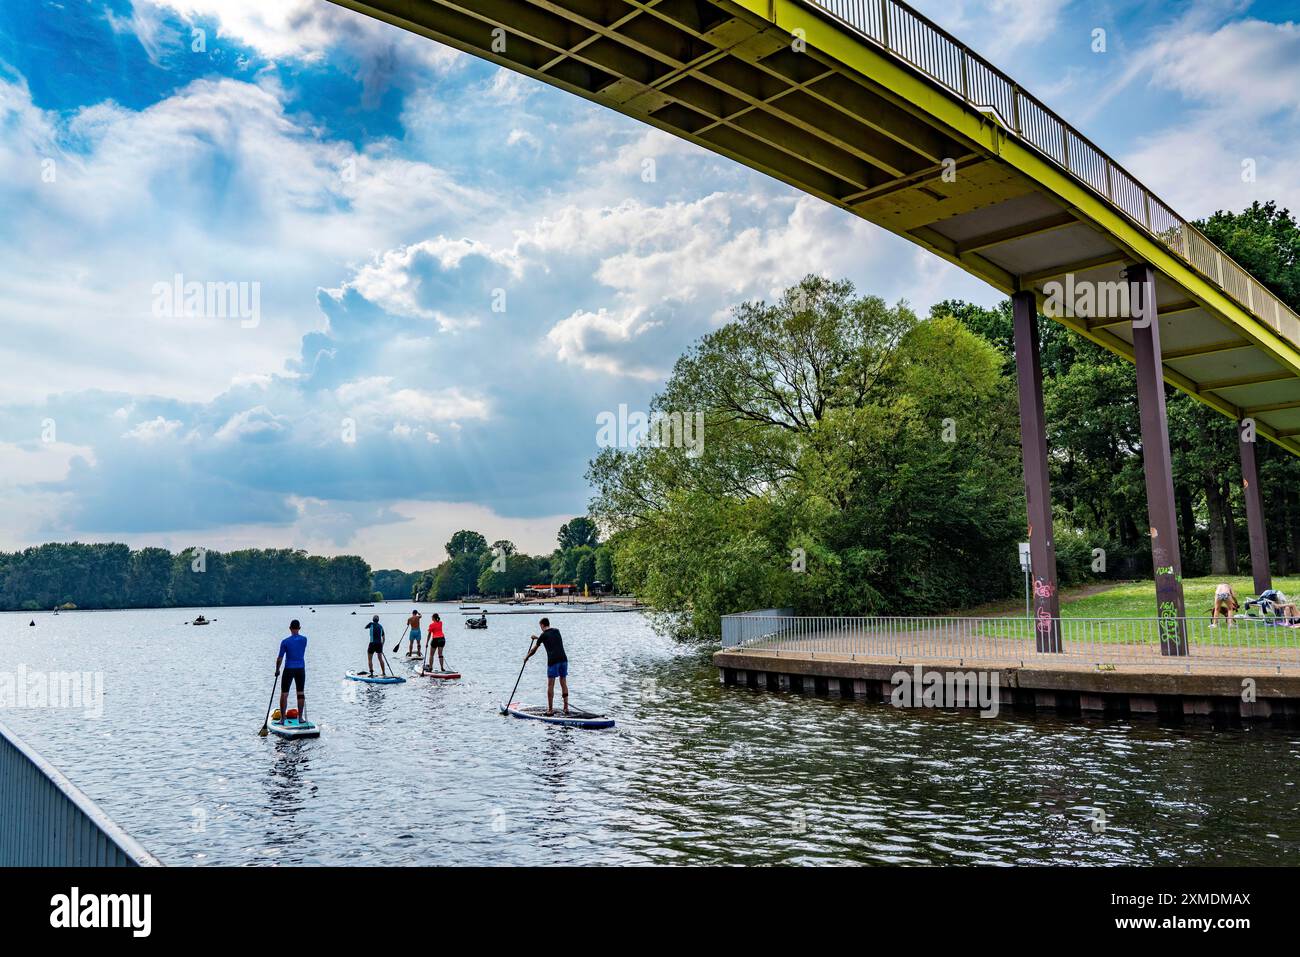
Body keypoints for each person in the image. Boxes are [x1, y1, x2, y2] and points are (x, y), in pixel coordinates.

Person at [524, 617, 568, 715]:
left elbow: (534, 650)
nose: (540, 628)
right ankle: (566, 708)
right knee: (563, 682)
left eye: (540, 626)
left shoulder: (543, 635)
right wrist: (537, 638)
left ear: (542, 625)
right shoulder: (557, 631)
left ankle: (550, 710)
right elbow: (547, 637)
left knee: (550, 685)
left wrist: (526, 657)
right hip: (564, 660)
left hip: (553, 661)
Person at [275, 619, 308, 721]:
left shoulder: (285, 642)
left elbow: (280, 658)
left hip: (289, 669)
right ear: (299, 628)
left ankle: (283, 719)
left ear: (290, 628)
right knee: (300, 693)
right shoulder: (304, 639)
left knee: (284, 694)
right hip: (300, 669)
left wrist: (277, 670)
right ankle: (300, 718)